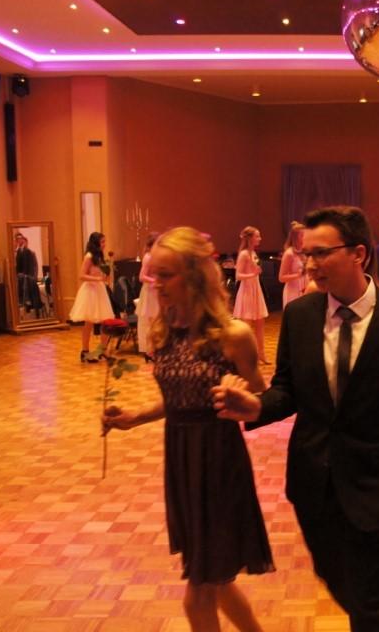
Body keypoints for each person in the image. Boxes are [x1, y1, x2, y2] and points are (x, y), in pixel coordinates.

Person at [212, 205, 379, 632]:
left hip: (378, 488)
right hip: (314, 486)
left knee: (371, 608)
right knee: (341, 583)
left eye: (321, 253)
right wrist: (257, 407)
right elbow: (288, 388)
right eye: (308, 254)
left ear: (358, 254)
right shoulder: (301, 316)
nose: (310, 264)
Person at [103, 227, 273, 632]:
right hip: (181, 463)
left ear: (195, 276)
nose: (155, 283)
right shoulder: (165, 331)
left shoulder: (233, 335)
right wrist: (134, 417)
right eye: (154, 274)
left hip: (218, 464)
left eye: (166, 275)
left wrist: (238, 394)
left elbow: (262, 396)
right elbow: (181, 400)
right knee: (216, 580)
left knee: (198, 594)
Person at [70, 232, 115, 363]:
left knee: (106, 321)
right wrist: (97, 279)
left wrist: (105, 276)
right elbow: (81, 275)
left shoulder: (99, 256)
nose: (104, 244)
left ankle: (103, 350)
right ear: (96, 243)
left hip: (99, 290)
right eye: (102, 242)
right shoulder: (89, 256)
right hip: (90, 291)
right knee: (89, 322)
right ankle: (85, 351)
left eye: (105, 241)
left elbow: (100, 273)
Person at [233, 226, 269, 364]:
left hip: (256, 289)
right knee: (247, 326)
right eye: (257, 236)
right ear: (250, 238)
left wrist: (255, 273)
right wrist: (252, 274)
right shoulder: (243, 254)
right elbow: (238, 275)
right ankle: (248, 356)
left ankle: (261, 353)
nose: (260, 238)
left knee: (260, 323)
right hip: (247, 291)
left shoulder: (253, 252)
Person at [137, 233, 160, 361]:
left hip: (154, 292)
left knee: (155, 323)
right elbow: (142, 277)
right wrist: (155, 281)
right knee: (150, 323)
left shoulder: (155, 256)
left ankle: (153, 350)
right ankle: (149, 351)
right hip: (150, 293)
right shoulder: (148, 257)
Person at [278, 221, 308, 308]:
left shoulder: (304, 251)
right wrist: (298, 275)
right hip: (293, 292)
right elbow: (281, 278)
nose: (305, 237)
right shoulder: (289, 253)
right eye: (302, 235)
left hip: (305, 288)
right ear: (295, 237)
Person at [14, 233, 40, 313]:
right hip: (20, 277)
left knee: (29, 291)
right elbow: (18, 265)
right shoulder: (18, 252)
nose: (19, 240)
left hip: (28, 277)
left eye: (21, 239)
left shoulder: (29, 252)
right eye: (17, 239)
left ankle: (29, 304)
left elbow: (34, 266)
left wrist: (33, 276)